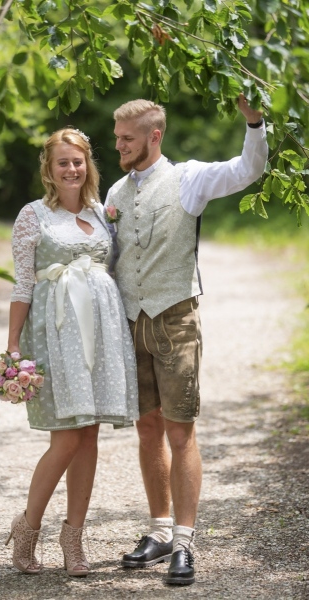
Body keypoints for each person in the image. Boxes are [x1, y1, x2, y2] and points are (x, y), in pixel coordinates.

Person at [104, 94, 268, 586]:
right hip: (131, 323)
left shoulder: (189, 178)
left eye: (127, 139)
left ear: (155, 137)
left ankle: (184, 541)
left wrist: (255, 121)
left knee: (180, 432)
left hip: (176, 320)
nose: (119, 146)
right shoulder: (114, 190)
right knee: (147, 429)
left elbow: (247, 169)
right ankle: (156, 530)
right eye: (117, 138)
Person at [4, 127, 139, 577]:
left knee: (90, 434)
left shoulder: (103, 214)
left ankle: (74, 538)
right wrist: (12, 345)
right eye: (62, 161)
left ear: (88, 165)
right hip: (55, 330)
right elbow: (24, 284)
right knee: (65, 437)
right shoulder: (33, 215)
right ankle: (27, 528)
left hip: (101, 331)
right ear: (49, 167)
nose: (71, 168)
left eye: (77, 161)